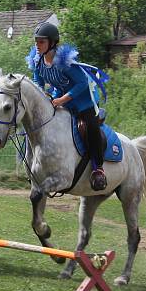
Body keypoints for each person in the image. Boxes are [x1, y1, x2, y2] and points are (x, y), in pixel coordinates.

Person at [27, 21, 107, 191]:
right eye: (36, 41)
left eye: (41, 41)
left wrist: (61, 100)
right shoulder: (38, 62)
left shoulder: (64, 62)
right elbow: (37, 83)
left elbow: (83, 83)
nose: (37, 45)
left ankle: (98, 169)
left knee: (91, 128)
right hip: (59, 98)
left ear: (52, 43)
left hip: (83, 100)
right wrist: (43, 97)